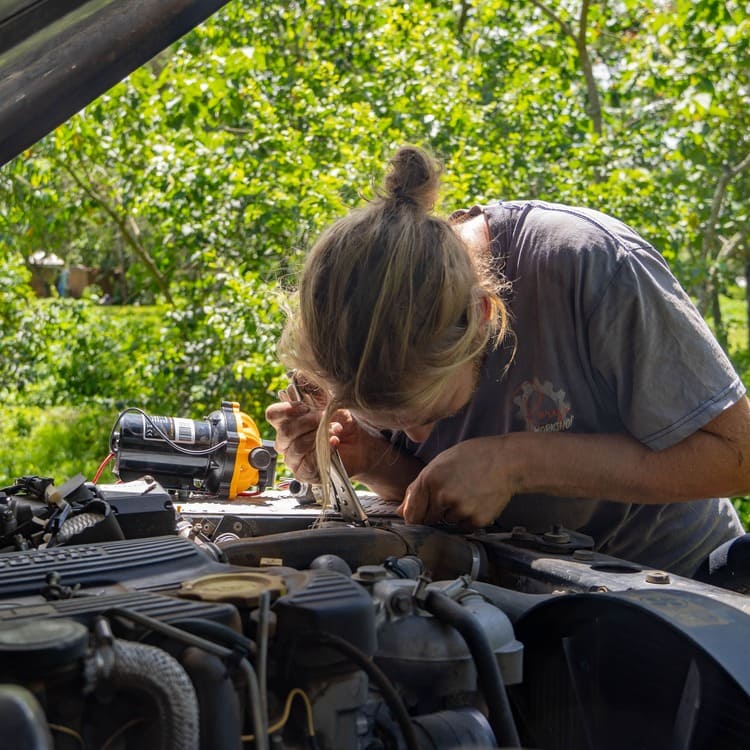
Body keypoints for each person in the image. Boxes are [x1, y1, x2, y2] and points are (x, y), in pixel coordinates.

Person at [266, 145, 750, 577]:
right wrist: (368, 458)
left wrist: (516, 461)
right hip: (526, 596)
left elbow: (739, 456)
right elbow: (444, 488)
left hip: (681, 587)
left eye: (429, 414)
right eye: (393, 424)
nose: (417, 436)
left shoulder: (589, 266)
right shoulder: (359, 324)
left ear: (482, 316)